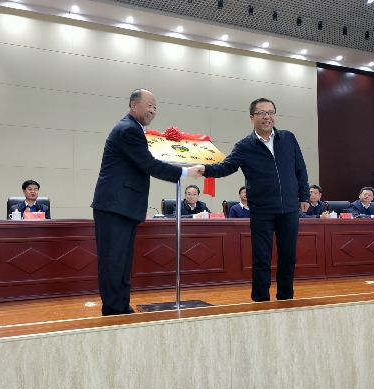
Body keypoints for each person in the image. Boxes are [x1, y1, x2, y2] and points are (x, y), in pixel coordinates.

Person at [91, 88, 202, 316]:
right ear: (133, 105)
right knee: (113, 261)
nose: (153, 110)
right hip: (115, 206)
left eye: (155, 107)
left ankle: (121, 306)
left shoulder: (135, 130)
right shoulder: (128, 129)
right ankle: (113, 310)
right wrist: (185, 172)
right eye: (148, 105)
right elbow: (149, 164)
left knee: (122, 261)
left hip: (123, 206)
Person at [197, 97, 309, 302]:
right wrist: (204, 169)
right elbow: (226, 166)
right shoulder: (244, 146)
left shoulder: (288, 138)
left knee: (288, 258)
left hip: (289, 209)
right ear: (252, 117)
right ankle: (260, 301)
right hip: (262, 211)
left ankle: (286, 299)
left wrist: (304, 196)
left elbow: (300, 169)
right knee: (261, 258)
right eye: (262, 113)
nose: (267, 117)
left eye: (271, 112)